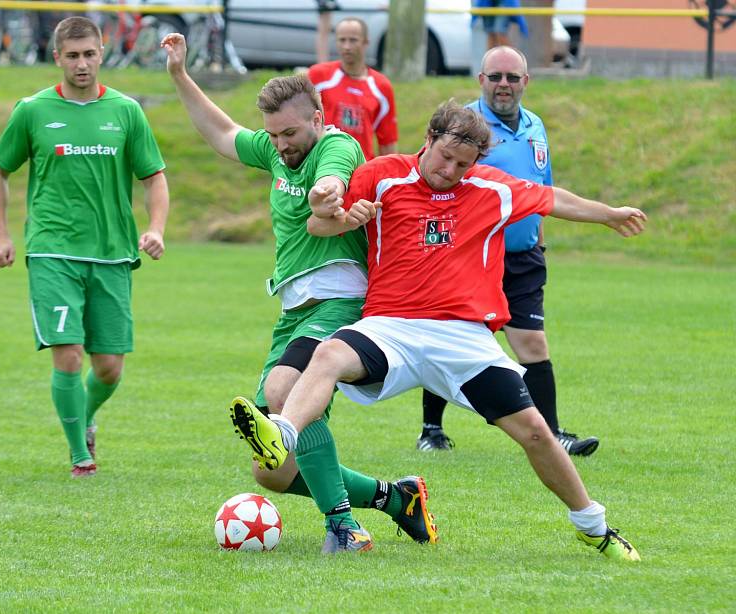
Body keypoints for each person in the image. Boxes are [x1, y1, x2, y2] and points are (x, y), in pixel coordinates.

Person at [232, 100, 645, 560]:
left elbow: (554, 199)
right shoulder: (382, 174)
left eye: (463, 164)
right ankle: (284, 432)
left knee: (534, 431)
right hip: (391, 327)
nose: (450, 170)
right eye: (444, 157)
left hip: (463, 337)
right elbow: (318, 223)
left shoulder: (490, 188)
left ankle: (593, 526)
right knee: (328, 354)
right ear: (426, 141)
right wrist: (340, 217)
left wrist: (609, 214)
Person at [161, 33, 437, 552]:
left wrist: (325, 192)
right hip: (293, 310)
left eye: (290, 132)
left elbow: (332, 177)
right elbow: (222, 134)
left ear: (316, 117)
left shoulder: (336, 145)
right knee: (271, 470)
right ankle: (394, 498)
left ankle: (344, 528)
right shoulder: (274, 149)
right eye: (274, 135)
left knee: (285, 395)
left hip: (339, 297)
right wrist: (179, 75)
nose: (282, 144)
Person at [0, 16, 170, 478]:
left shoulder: (127, 112)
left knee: (109, 368)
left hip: (111, 253)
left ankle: (85, 417)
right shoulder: (31, 110)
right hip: (52, 251)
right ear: (57, 58)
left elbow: (153, 178)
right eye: (72, 55)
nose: (82, 63)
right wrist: (2, 234)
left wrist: (157, 227)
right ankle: (79, 456)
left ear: (102, 53)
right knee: (67, 352)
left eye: (89, 54)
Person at [417, 45, 598, 455]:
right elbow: (433, 183)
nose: (503, 85)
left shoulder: (535, 126)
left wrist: (537, 234)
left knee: (533, 343)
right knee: (453, 339)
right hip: (474, 255)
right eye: (495, 76)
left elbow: (542, 190)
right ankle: (431, 429)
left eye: (512, 77)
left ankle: (553, 435)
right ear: (480, 79)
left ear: (525, 82)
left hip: (524, 257)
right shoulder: (462, 126)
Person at [308, 17, 398, 161]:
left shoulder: (381, 86)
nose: (347, 46)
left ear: (365, 42)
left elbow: (387, 143)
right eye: (342, 40)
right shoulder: (318, 76)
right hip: (323, 162)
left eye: (353, 40)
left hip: (361, 167)